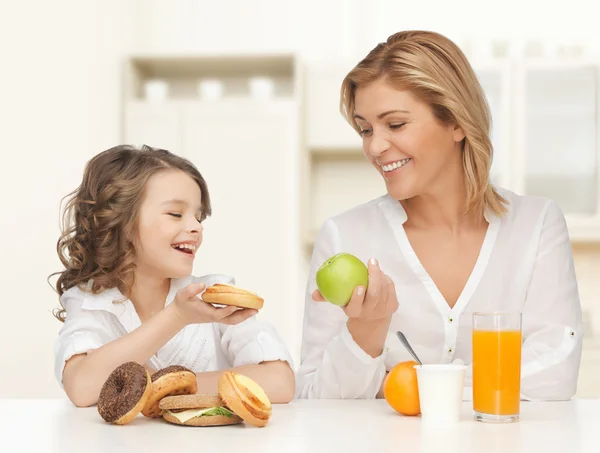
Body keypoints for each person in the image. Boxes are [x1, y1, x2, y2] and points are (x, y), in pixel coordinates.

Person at [296, 30, 583, 401]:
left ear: (457, 122)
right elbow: (311, 397)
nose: (375, 146)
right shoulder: (344, 235)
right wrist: (365, 333)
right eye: (365, 129)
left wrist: (414, 387)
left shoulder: (537, 224)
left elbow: (556, 371)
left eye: (395, 124)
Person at [52, 145, 295, 407]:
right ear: (121, 222)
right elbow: (82, 387)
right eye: (176, 214)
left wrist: (166, 386)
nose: (195, 227)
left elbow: (280, 381)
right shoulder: (90, 302)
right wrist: (177, 317)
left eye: (199, 217)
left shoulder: (213, 294)